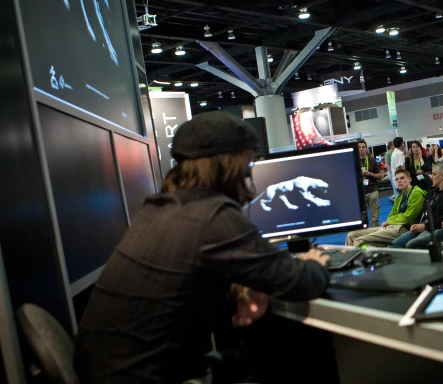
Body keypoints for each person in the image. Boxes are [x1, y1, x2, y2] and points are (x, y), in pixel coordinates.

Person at [76, 112, 330, 384]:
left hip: (107, 371)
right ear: (233, 166)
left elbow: (182, 275)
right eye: (247, 163)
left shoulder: (160, 209)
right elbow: (299, 282)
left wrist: (237, 287)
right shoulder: (213, 216)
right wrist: (315, 261)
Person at [346, 168, 427, 248]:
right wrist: (389, 222)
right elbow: (392, 214)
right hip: (393, 226)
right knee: (351, 235)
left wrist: (389, 222)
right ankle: (349, 259)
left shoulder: (417, 193)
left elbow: (407, 218)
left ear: (409, 179)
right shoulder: (399, 197)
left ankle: (357, 260)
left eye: (402, 178)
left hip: (404, 229)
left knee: (359, 241)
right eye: (397, 179)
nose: (399, 181)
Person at [389, 163, 443, 248]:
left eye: (434, 174)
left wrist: (425, 226)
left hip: (434, 228)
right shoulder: (432, 192)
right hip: (422, 225)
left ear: (442, 176)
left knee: (412, 244)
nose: (431, 176)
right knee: (395, 244)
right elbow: (422, 211)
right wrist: (416, 224)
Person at [358, 139, 383, 228]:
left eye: (363, 147)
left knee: (375, 218)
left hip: (372, 191)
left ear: (366, 148)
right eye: (359, 147)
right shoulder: (353, 161)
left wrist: (370, 174)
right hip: (359, 194)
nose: (361, 149)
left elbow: (380, 176)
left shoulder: (372, 160)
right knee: (360, 219)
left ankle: (374, 237)